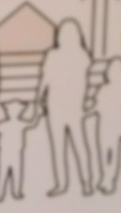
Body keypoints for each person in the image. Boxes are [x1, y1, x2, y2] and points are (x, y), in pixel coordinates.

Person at [37, 17, 96, 197]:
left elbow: (45, 81)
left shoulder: (56, 56)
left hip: (59, 105)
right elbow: (47, 80)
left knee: (60, 146)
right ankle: (85, 182)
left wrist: (39, 100)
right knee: (78, 144)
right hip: (70, 105)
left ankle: (63, 184)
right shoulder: (83, 56)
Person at [87, 56, 121, 196]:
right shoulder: (106, 89)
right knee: (105, 153)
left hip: (112, 125)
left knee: (111, 154)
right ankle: (105, 178)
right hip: (106, 125)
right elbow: (97, 106)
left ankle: (110, 180)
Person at [0, 99, 41, 203]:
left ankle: (15, 192)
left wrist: (39, 112)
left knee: (16, 172)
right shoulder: (4, 124)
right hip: (5, 152)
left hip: (16, 152)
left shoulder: (19, 123)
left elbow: (33, 123)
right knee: (3, 173)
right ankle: (1, 194)